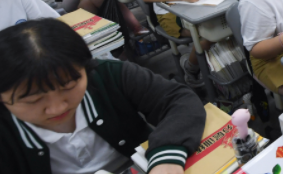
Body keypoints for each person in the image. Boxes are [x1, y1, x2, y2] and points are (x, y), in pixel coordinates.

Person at [0, 18, 206, 174]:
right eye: (33, 100)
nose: (57, 108)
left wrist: (166, 158)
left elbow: (178, 99)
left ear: (85, 67)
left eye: (69, 86)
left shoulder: (107, 75)